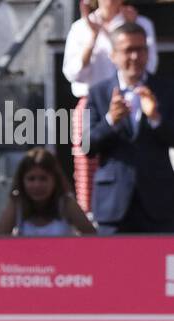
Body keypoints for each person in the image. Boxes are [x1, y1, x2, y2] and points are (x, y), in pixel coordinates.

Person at [63, 0, 157, 214]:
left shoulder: (140, 22)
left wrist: (135, 28)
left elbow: (150, 66)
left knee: (133, 157)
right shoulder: (81, 27)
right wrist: (93, 36)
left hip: (133, 98)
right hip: (92, 102)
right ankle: (89, 219)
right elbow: (72, 73)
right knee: (87, 166)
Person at [87, 21, 174, 235]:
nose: (135, 57)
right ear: (114, 55)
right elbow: (87, 146)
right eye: (128, 50)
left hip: (157, 204)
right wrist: (111, 121)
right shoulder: (99, 93)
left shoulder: (166, 89)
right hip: (113, 206)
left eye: (141, 49)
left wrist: (155, 118)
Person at [0, 147, 95, 237]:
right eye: (31, 179)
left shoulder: (66, 203)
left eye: (43, 179)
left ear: (55, 180)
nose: (37, 185)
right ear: (22, 181)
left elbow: (92, 236)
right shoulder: (17, 203)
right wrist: (13, 201)